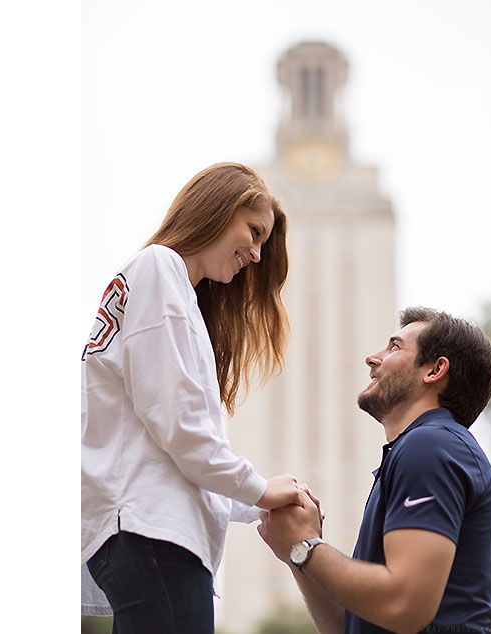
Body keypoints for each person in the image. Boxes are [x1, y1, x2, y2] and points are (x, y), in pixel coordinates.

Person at [81, 162, 303, 633]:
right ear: (220, 209)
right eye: (255, 231)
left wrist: (256, 504)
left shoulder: (162, 283)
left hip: (145, 534)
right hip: (154, 536)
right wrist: (260, 488)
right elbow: (179, 427)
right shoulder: (159, 267)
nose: (257, 255)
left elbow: (163, 444)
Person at [258, 306, 491, 634]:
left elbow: (403, 604)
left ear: (434, 370)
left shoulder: (430, 446)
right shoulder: (415, 451)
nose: (372, 358)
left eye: (394, 347)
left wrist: (305, 546)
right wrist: (298, 551)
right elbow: (348, 626)